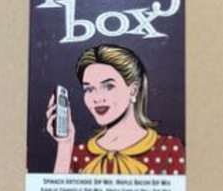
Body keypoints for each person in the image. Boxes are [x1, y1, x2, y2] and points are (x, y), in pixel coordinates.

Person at [45, 44, 185, 175]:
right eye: (89, 89)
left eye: (108, 86)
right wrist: (65, 144)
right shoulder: (77, 153)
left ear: (133, 90)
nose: (97, 98)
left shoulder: (169, 149)